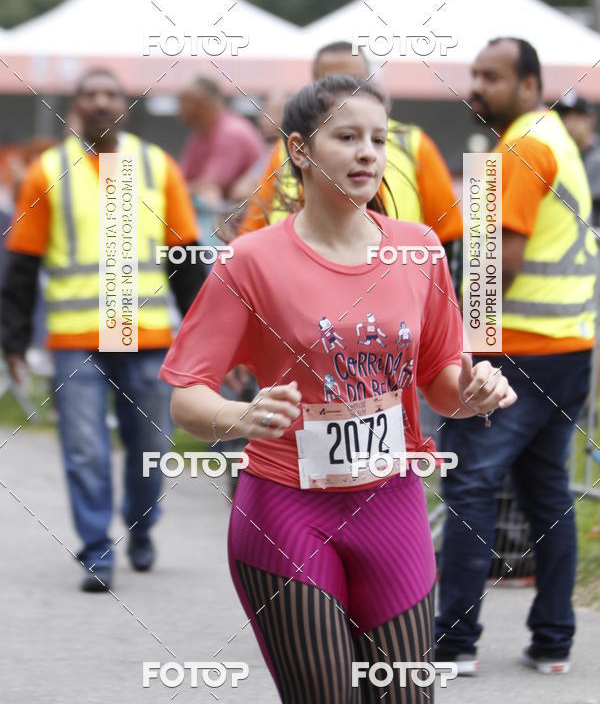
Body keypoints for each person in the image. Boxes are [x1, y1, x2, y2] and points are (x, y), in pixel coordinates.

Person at [159, 75, 516, 703]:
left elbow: (441, 385)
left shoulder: (419, 249)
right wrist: (243, 416)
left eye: (378, 139)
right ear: (299, 150)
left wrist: (474, 392)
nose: (367, 153)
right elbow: (186, 397)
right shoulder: (252, 260)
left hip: (392, 505)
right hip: (286, 512)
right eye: (347, 137)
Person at [0, 69, 206, 592]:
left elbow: (185, 259)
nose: (100, 102)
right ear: (76, 107)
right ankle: (97, 549)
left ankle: (142, 525)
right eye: (89, 94)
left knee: (150, 445)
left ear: (125, 106)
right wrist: (13, 340)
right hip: (77, 341)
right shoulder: (48, 170)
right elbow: (22, 263)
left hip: (146, 335)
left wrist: (206, 337)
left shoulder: (157, 167)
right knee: (85, 448)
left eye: (110, 93)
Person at [435, 38, 597, 675]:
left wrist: (464, 348)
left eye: (493, 77)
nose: (478, 86)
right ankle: (554, 641)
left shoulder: (522, 147)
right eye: (475, 74)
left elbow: (499, 263)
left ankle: (454, 642)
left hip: (517, 353)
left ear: (530, 84)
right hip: (567, 348)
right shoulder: (556, 139)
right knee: (546, 491)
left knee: (471, 483)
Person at [237, 41, 463, 293]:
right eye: (330, 82)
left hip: (393, 293)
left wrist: (441, 301)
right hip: (299, 291)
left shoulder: (413, 144)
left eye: (378, 141)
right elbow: (252, 229)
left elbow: (449, 237)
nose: (344, 92)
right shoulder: (286, 150)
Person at [178, 76, 265, 202]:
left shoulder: (231, 133)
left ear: (205, 102)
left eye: (186, 101)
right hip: (226, 210)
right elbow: (182, 180)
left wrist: (175, 190)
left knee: (209, 196)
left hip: (245, 212)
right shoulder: (199, 135)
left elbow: (211, 186)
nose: (181, 107)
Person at [554, 91, 600, 227]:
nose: (569, 123)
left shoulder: (596, 158)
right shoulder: (561, 152)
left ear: (591, 119)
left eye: (576, 117)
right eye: (565, 117)